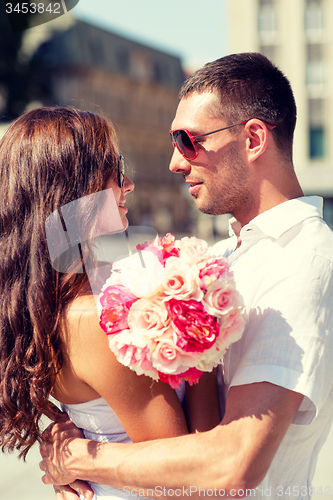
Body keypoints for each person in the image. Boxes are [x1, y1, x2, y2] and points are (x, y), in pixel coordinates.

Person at [40, 53, 333, 500]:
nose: (175, 162)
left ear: (254, 138)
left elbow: (235, 462)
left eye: (188, 140)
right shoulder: (215, 258)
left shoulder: (306, 259)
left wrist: (82, 458)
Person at [0, 106, 220, 500]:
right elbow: (190, 483)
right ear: (78, 192)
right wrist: (202, 334)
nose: (130, 184)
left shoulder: (53, 305)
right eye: (117, 171)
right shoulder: (93, 320)